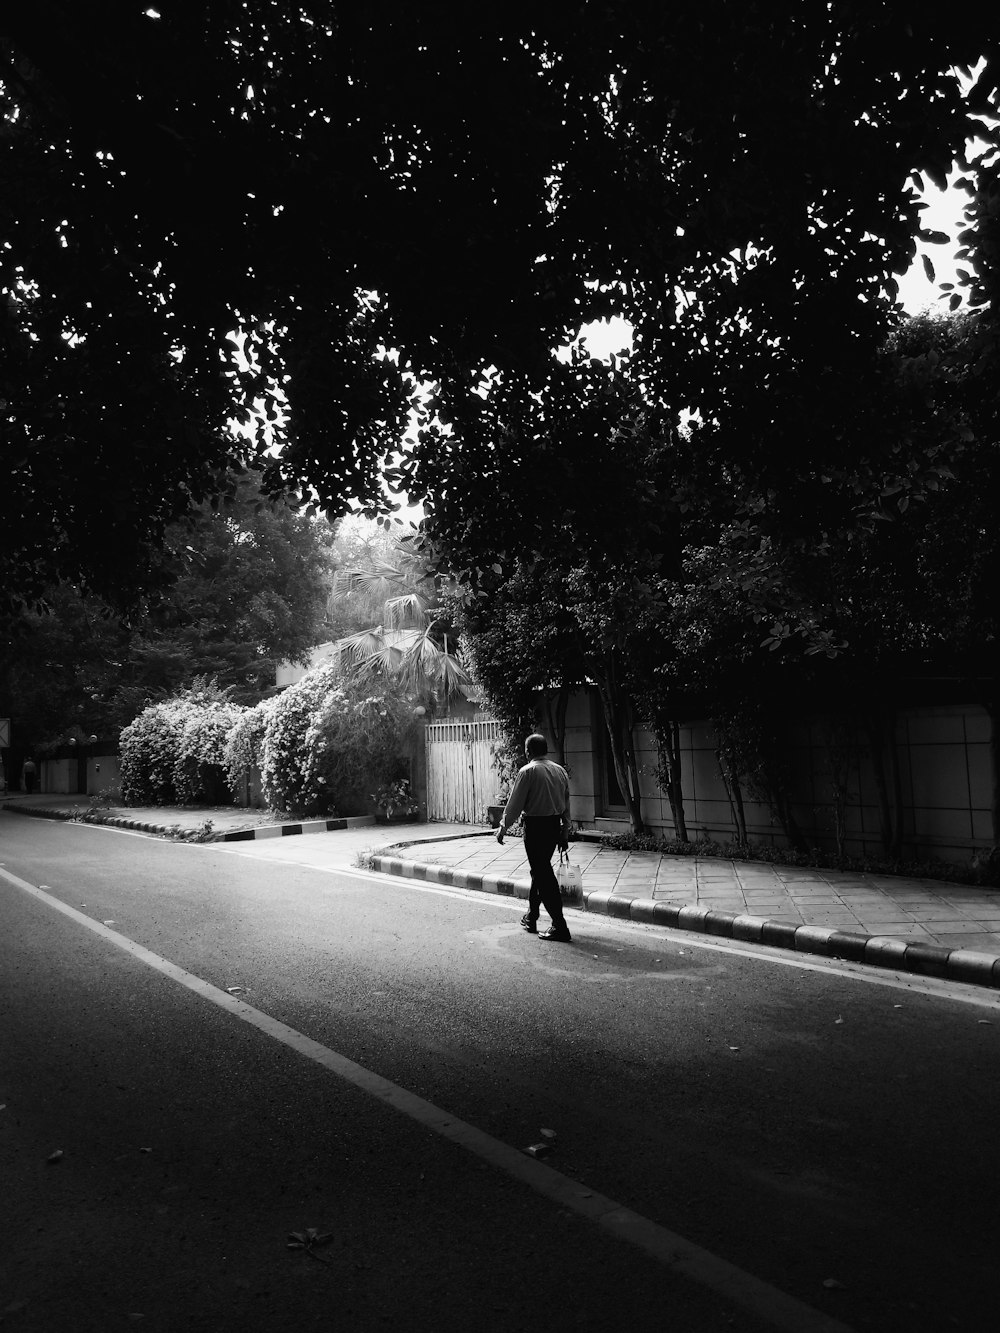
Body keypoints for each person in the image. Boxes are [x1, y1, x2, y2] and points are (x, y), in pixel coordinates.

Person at [497, 734, 573, 942]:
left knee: (543, 874)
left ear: (528, 751)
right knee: (540, 870)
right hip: (553, 827)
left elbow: (515, 804)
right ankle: (532, 916)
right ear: (546, 749)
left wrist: (503, 827)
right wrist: (564, 832)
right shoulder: (560, 771)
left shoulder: (527, 771)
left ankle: (560, 925)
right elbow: (566, 806)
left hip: (535, 827)